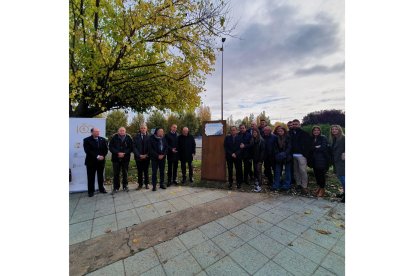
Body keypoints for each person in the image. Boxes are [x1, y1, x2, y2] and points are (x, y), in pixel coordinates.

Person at [83, 128, 108, 197]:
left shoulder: (103, 139)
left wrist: (103, 156)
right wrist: (97, 156)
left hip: (101, 162)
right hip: (91, 162)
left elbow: (106, 149)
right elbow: (88, 151)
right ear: (92, 132)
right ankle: (91, 191)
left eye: (98, 131)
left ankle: (101, 189)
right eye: (96, 131)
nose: (98, 133)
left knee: (100, 176)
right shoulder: (86, 140)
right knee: (91, 177)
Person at [290, 119, 312, 195]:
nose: (294, 125)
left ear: (299, 125)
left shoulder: (304, 134)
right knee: (296, 171)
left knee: (303, 171)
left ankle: (304, 186)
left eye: (296, 124)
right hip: (293, 155)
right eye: (293, 124)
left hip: (301, 155)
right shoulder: (291, 133)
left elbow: (308, 145)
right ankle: (298, 184)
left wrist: (304, 154)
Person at [109, 127, 133, 194]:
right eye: (120, 130)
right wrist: (117, 153)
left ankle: (125, 186)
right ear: (118, 131)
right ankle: (116, 187)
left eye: (123, 130)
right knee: (116, 173)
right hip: (116, 158)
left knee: (125, 173)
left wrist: (124, 153)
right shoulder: (114, 137)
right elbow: (110, 147)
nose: (122, 131)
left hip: (125, 158)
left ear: (125, 131)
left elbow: (131, 147)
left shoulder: (129, 137)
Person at [309, 126, 330, 197]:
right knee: (316, 175)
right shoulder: (311, 138)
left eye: (318, 130)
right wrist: (316, 147)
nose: (316, 131)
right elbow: (309, 148)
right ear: (312, 131)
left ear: (320, 131)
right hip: (314, 160)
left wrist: (315, 148)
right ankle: (319, 187)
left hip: (322, 159)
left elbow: (323, 148)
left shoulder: (323, 138)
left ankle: (322, 189)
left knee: (321, 175)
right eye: (314, 130)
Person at [272, 125, 292, 192]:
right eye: (279, 131)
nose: (280, 132)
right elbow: (275, 148)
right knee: (277, 171)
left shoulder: (288, 137)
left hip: (287, 157)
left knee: (287, 172)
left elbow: (289, 147)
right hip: (278, 157)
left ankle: (286, 185)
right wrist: (278, 154)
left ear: (284, 131)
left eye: (281, 131)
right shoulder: (276, 138)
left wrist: (284, 154)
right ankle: (276, 184)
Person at [330, 125, 345, 203]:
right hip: (336, 161)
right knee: (340, 177)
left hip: (342, 162)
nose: (334, 130)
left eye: (336, 129)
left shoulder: (343, 138)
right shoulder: (334, 139)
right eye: (333, 129)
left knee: (343, 178)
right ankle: (344, 193)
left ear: (339, 130)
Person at [132, 123, 150, 190]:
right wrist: (139, 155)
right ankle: (140, 184)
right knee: (139, 171)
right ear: (140, 129)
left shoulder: (149, 137)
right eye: (142, 128)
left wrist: (146, 155)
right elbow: (134, 147)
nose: (143, 129)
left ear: (146, 129)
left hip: (147, 157)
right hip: (138, 157)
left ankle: (147, 184)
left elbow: (150, 147)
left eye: (144, 128)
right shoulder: (135, 137)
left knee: (146, 171)